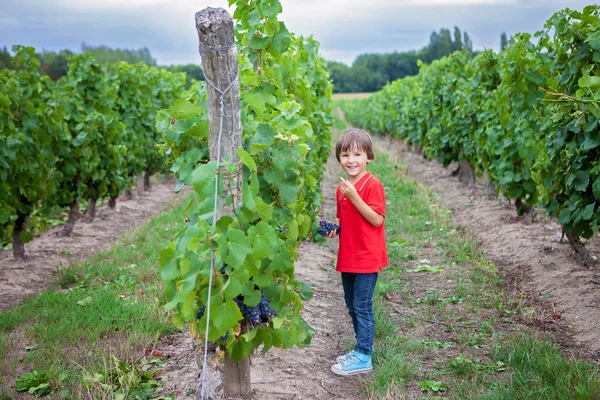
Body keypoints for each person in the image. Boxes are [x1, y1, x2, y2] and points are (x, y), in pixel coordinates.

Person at [325, 128, 388, 376]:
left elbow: (375, 220)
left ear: (368, 157)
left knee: (362, 305)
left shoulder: (373, 185)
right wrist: (335, 230)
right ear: (339, 159)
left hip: (367, 257)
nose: (351, 160)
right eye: (345, 155)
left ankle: (364, 355)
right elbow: (347, 222)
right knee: (351, 305)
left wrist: (355, 197)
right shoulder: (342, 189)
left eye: (357, 154)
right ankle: (360, 347)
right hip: (348, 256)